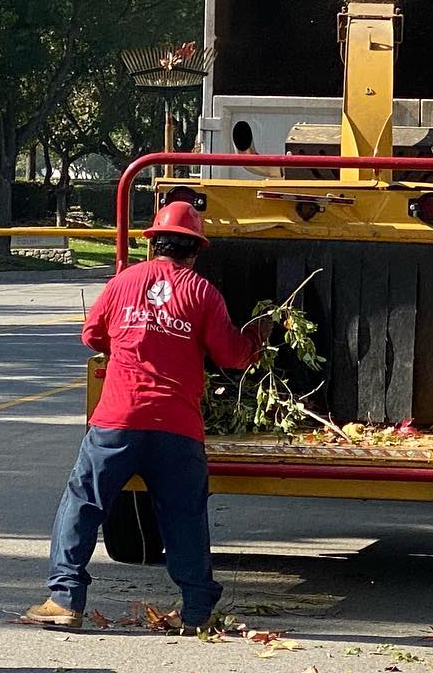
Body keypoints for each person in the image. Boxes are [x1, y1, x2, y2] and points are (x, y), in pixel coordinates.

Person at [23, 200, 267, 634]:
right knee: (184, 516)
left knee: (84, 503)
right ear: (195, 250)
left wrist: (131, 340)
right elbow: (231, 355)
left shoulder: (124, 281)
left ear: (153, 243)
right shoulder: (203, 293)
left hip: (117, 421)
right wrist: (255, 340)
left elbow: (92, 334)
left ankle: (64, 599)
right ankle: (196, 612)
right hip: (177, 427)